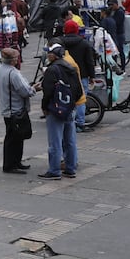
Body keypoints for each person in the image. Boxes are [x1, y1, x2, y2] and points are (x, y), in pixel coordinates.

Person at [38, 44, 82, 180]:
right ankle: (70, 168)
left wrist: (45, 107)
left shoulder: (52, 70)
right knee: (70, 140)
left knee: (55, 141)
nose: (47, 55)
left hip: (55, 109)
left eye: (49, 53)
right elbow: (79, 91)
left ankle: (54, 170)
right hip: (70, 108)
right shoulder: (71, 68)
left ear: (53, 55)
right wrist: (72, 104)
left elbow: (48, 92)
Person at [0, 48, 34, 174]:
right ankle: (10, 165)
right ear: (12, 60)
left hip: (6, 108)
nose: (17, 60)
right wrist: (33, 89)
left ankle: (16, 162)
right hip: (15, 109)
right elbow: (24, 91)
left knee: (15, 136)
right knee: (14, 138)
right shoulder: (13, 73)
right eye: (16, 58)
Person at [58, 20, 96, 133]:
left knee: (65, 98)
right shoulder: (84, 43)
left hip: (63, 75)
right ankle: (80, 123)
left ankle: (68, 121)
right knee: (80, 100)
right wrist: (92, 76)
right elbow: (89, 61)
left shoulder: (60, 43)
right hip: (81, 75)